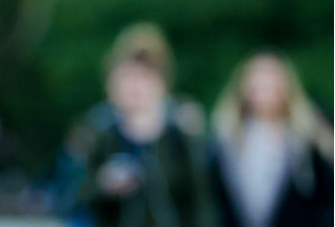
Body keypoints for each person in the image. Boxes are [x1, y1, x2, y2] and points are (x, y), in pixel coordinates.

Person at [69, 22, 213, 227]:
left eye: (144, 77)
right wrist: (104, 185)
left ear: (161, 82)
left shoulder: (180, 134)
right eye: (128, 77)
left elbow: (200, 203)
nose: (135, 86)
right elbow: (71, 195)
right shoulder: (99, 131)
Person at [208, 49, 333, 227]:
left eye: (271, 77)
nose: (264, 84)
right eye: (258, 77)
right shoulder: (224, 139)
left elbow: (326, 201)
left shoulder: (309, 138)